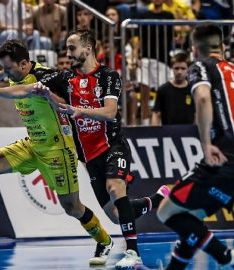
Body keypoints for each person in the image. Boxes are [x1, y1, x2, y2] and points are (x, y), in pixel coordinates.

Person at [0, 39, 114, 265]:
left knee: (72, 208)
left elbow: (21, 92)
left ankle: (104, 240)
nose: (7, 72)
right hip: (33, 144)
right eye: (5, 68)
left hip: (58, 150)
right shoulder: (16, 73)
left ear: (25, 63)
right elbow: (12, 79)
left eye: (9, 68)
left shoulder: (45, 78)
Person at [31, 29, 170, 268]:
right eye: (66, 48)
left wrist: (80, 111)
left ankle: (133, 254)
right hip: (89, 155)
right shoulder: (65, 79)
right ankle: (155, 200)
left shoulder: (108, 76)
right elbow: (28, 73)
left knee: (115, 188)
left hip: (113, 144)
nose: (67, 53)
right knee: (116, 217)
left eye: (71, 48)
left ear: (88, 48)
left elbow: (110, 113)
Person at [157, 24, 234, 270]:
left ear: (193, 50)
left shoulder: (201, 66)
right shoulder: (232, 69)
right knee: (191, 222)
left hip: (224, 158)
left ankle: (224, 255)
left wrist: (206, 143)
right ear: (222, 48)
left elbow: (201, 97)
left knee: (166, 212)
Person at [151, 52, 194, 126]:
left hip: (189, 133)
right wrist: (154, 133)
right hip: (168, 133)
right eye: (176, 68)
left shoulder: (193, 89)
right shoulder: (163, 90)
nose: (179, 72)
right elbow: (156, 114)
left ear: (188, 69)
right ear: (172, 68)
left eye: (183, 68)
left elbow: (197, 114)